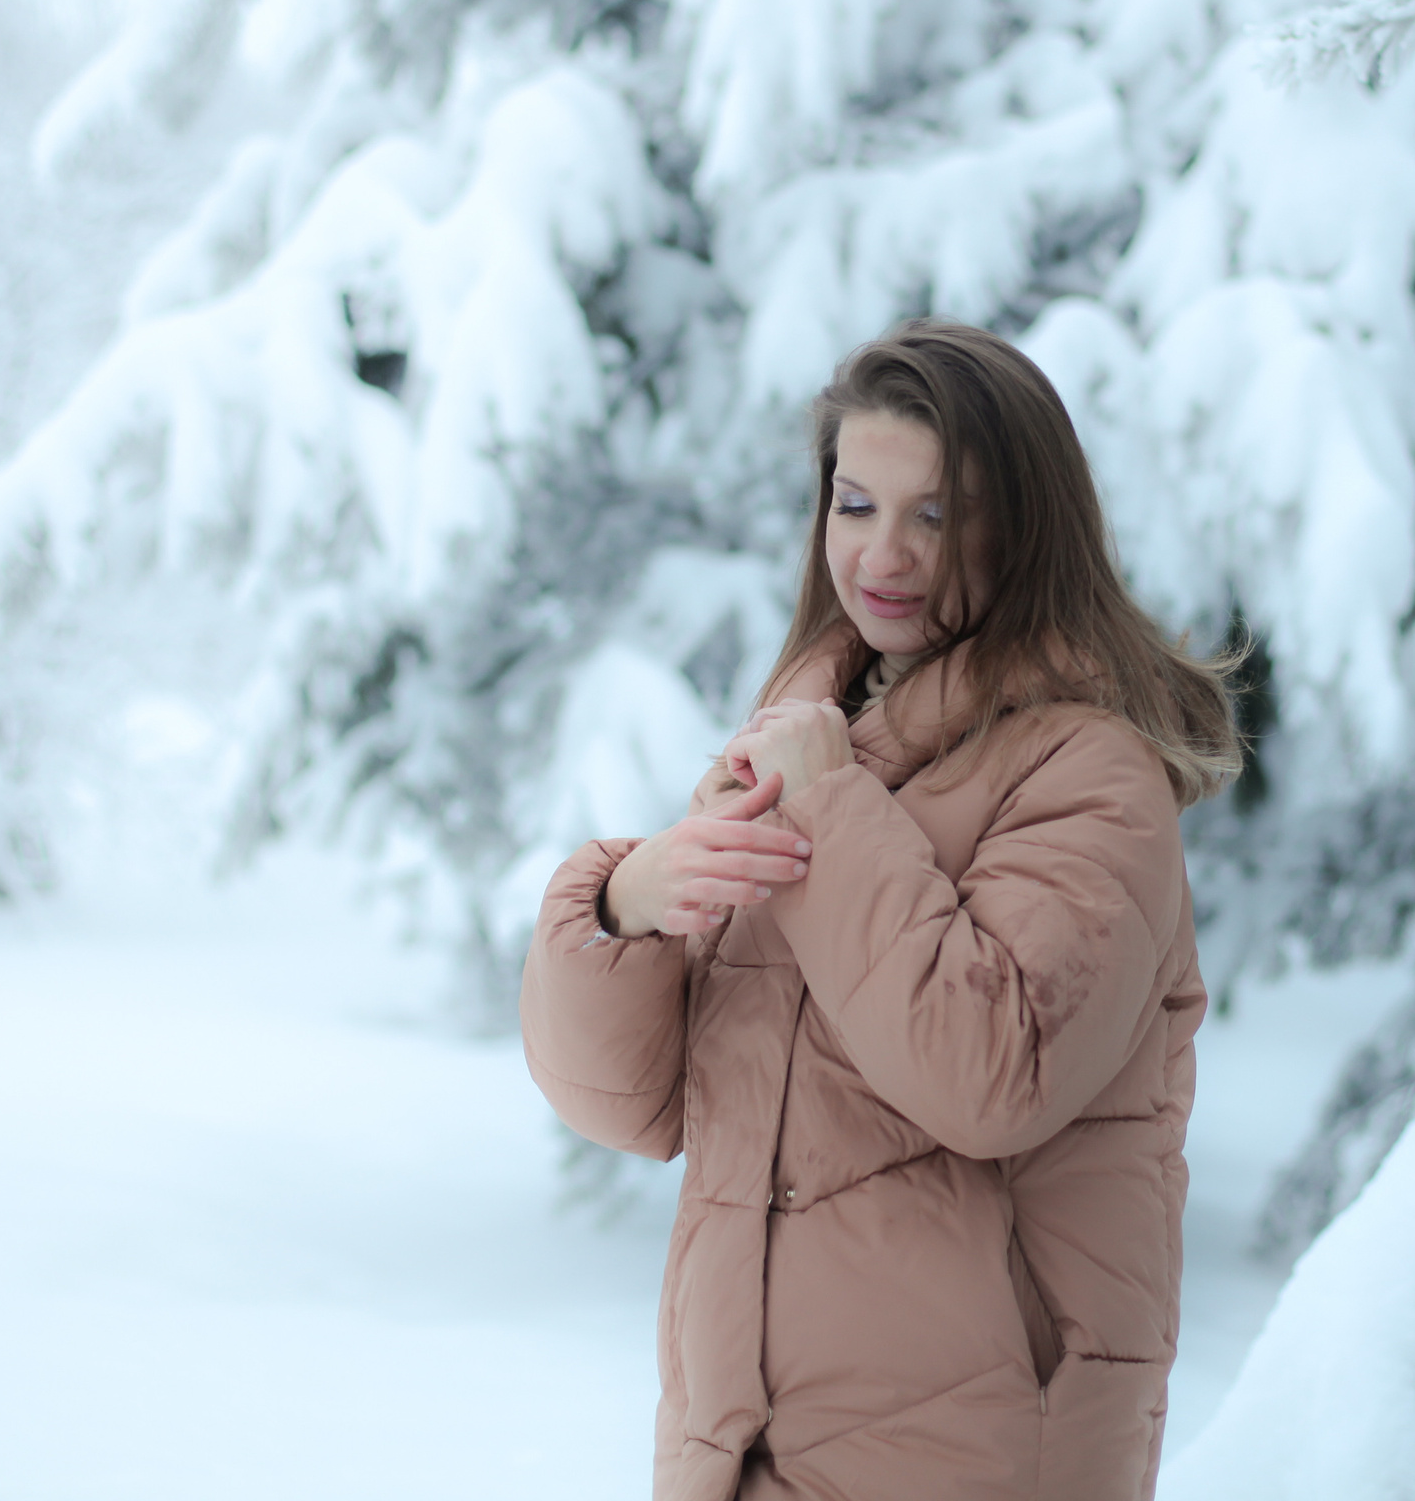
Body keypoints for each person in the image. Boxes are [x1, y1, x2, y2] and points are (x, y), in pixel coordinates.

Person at [520, 318, 1242, 1501]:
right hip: (739, 1448)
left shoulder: (1087, 774)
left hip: (974, 1456)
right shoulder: (813, 741)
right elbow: (631, 1108)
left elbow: (989, 1075)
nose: (884, 556)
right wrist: (624, 908)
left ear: (1026, 524)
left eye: (938, 513)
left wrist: (834, 812)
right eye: (855, 505)